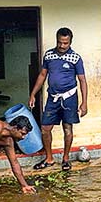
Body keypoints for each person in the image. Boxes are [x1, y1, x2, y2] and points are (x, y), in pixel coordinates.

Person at [29, 27, 88, 171]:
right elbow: (42, 75)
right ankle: (49, 159)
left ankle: (66, 159)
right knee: (45, 128)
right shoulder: (49, 55)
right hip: (53, 98)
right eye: (60, 42)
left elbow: (82, 80)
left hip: (69, 99)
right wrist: (33, 94)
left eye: (65, 43)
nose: (62, 46)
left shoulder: (75, 58)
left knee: (67, 128)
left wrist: (84, 103)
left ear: (70, 42)